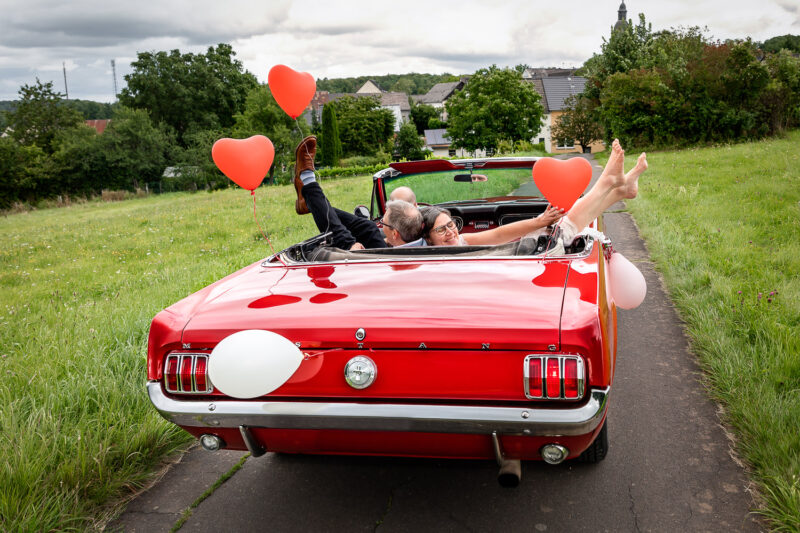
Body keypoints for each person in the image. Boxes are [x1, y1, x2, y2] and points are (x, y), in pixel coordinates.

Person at [421, 139, 648, 247]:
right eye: (441, 229)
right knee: (562, 229)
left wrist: (539, 221)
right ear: (428, 238)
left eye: (451, 224)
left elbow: (499, 234)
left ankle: (618, 189)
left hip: (512, 258)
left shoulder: (462, 240)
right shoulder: (427, 259)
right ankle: (612, 184)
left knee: (556, 228)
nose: (450, 232)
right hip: (509, 266)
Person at [293, 136, 424, 249]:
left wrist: (354, 249)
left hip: (391, 261)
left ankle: (307, 180)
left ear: (395, 234)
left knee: (342, 238)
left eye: (383, 222)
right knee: (369, 227)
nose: (381, 223)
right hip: (399, 249)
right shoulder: (425, 235)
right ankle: (311, 202)